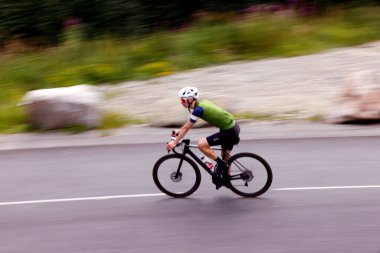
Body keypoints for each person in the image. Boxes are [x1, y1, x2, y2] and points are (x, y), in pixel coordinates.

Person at [166, 87, 240, 189]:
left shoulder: (198, 110)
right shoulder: (202, 103)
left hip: (229, 130)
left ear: (190, 99)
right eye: (181, 100)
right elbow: (187, 125)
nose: (181, 102)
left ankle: (221, 164)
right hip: (232, 127)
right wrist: (179, 131)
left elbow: (187, 127)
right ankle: (227, 180)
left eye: (183, 100)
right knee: (225, 156)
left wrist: (174, 143)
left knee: (201, 144)